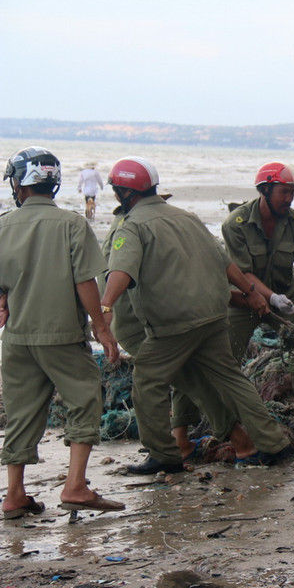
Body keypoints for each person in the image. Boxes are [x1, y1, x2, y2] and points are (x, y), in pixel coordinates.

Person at [99, 156, 292, 474]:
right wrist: (250, 292)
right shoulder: (187, 218)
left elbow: (120, 270)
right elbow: (225, 262)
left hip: (174, 323)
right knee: (231, 379)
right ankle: (274, 443)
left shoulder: (131, 226)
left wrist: (105, 309)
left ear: (122, 193)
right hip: (214, 315)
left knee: (147, 382)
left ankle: (164, 454)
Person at [0, 146, 124, 518]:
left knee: (21, 412)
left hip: (17, 337)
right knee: (84, 400)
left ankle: (15, 494)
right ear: (52, 184)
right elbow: (85, 281)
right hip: (62, 336)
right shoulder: (71, 224)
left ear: (20, 185)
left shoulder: (3, 225)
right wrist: (101, 328)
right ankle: (75, 486)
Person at [101, 197, 258, 463]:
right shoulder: (128, 231)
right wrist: (104, 315)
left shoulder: (144, 226)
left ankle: (180, 442)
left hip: (168, 322)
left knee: (187, 380)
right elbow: (120, 280)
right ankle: (237, 440)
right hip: (144, 327)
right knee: (192, 382)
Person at [222, 162, 294, 362]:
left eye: (292, 192)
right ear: (265, 190)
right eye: (283, 192)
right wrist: (272, 298)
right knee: (225, 359)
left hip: (288, 298)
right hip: (245, 298)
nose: (289, 199)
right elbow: (242, 272)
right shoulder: (235, 224)